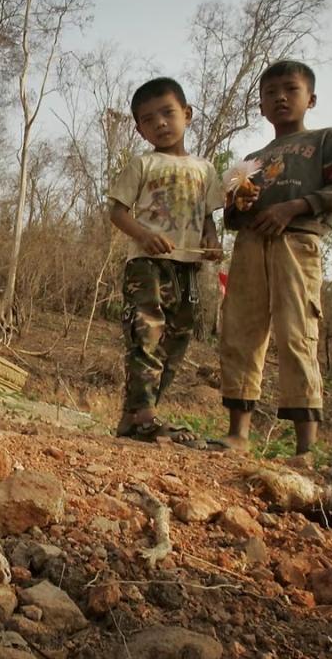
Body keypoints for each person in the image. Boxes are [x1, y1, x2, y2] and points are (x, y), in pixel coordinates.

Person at [219, 60, 332, 462]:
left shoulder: (324, 141)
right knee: (241, 331)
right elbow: (234, 215)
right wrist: (235, 202)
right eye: (270, 93)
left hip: (297, 245)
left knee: (297, 335)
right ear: (261, 106)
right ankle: (237, 434)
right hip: (249, 246)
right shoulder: (253, 157)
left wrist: (294, 207)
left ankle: (306, 448)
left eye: (290, 89)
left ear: (310, 98)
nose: (280, 97)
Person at [108, 77, 223, 442]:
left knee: (177, 340)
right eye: (148, 118)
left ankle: (135, 417)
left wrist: (212, 240)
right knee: (145, 333)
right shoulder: (142, 164)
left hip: (187, 266)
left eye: (168, 113)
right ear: (140, 130)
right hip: (146, 264)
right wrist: (144, 234)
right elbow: (117, 212)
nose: (160, 122)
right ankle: (145, 416)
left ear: (186, 115)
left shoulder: (205, 169)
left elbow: (207, 217)